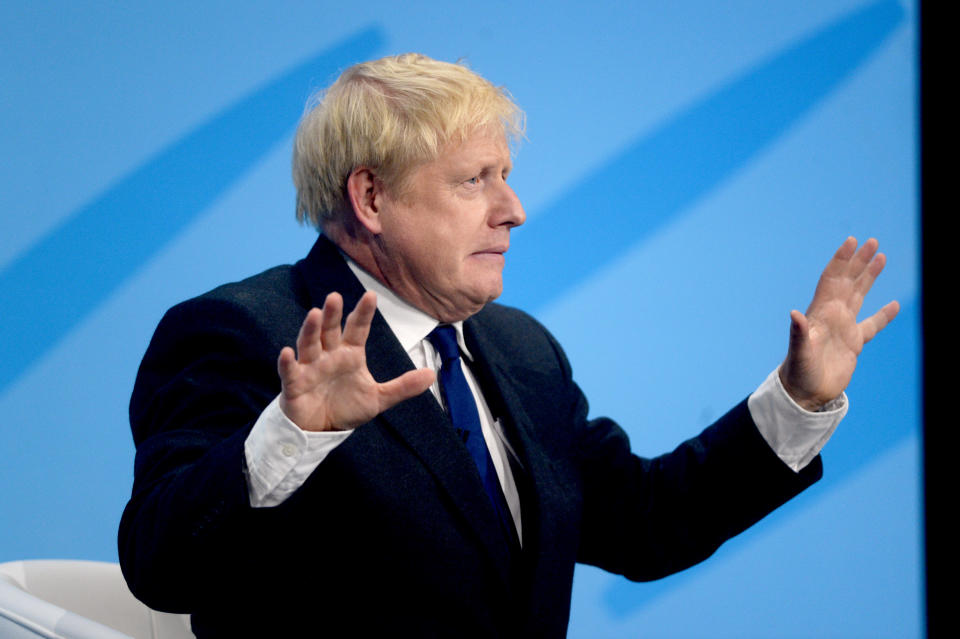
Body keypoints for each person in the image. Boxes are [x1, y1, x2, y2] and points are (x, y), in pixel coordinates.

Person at [118, 53, 899, 638]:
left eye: (508, 176)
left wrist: (798, 401)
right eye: (474, 180)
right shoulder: (243, 332)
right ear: (371, 197)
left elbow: (647, 520)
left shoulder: (520, 350)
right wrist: (290, 436)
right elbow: (162, 566)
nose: (514, 209)